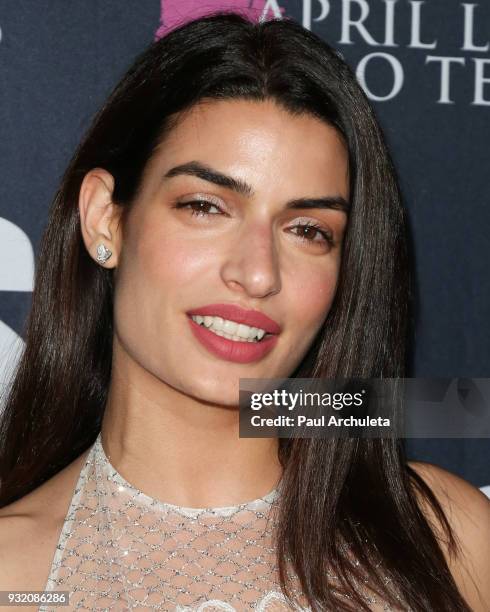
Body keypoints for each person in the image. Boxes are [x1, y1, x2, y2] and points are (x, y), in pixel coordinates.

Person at [0, 12, 488, 612]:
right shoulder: (11, 575)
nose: (258, 273)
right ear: (106, 218)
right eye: (205, 206)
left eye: (308, 229)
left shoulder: (445, 538)